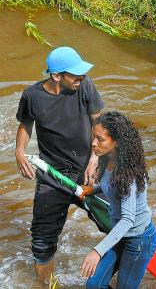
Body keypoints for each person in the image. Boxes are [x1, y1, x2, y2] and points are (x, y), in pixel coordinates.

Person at [14, 47, 104, 282]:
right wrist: (19, 151)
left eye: (82, 73)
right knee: (42, 241)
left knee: (115, 220)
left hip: (87, 169)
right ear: (56, 76)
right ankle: (47, 284)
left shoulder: (85, 85)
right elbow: (25, 124)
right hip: (53, 174)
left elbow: (100, 124)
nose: (81, 78)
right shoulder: (32, 96)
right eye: (75, 74)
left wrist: (95, 158)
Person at [78, 111, 156, 289]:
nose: (93, 143)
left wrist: (97, 251)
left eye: (100, 139)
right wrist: (92, 189)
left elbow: (128, 219)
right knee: (94, 285)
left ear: (117, 142)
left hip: (138, 240)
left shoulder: (128, 174)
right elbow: (110, 186)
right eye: (93, 138)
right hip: (120, 234)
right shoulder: (109, 159)